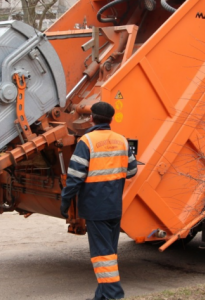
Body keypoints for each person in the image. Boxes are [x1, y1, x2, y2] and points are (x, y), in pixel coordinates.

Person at [60, 102, 138, 300]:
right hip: (114, 207)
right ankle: (102, 296)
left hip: (96, 208)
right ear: (111, 120)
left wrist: (65, 201)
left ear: (91, 118)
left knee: (102, 254)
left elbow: (75, 176)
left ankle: (113, 295)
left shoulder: (86, 142)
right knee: (109, 253)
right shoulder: (122, 141)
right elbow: (131, 171)